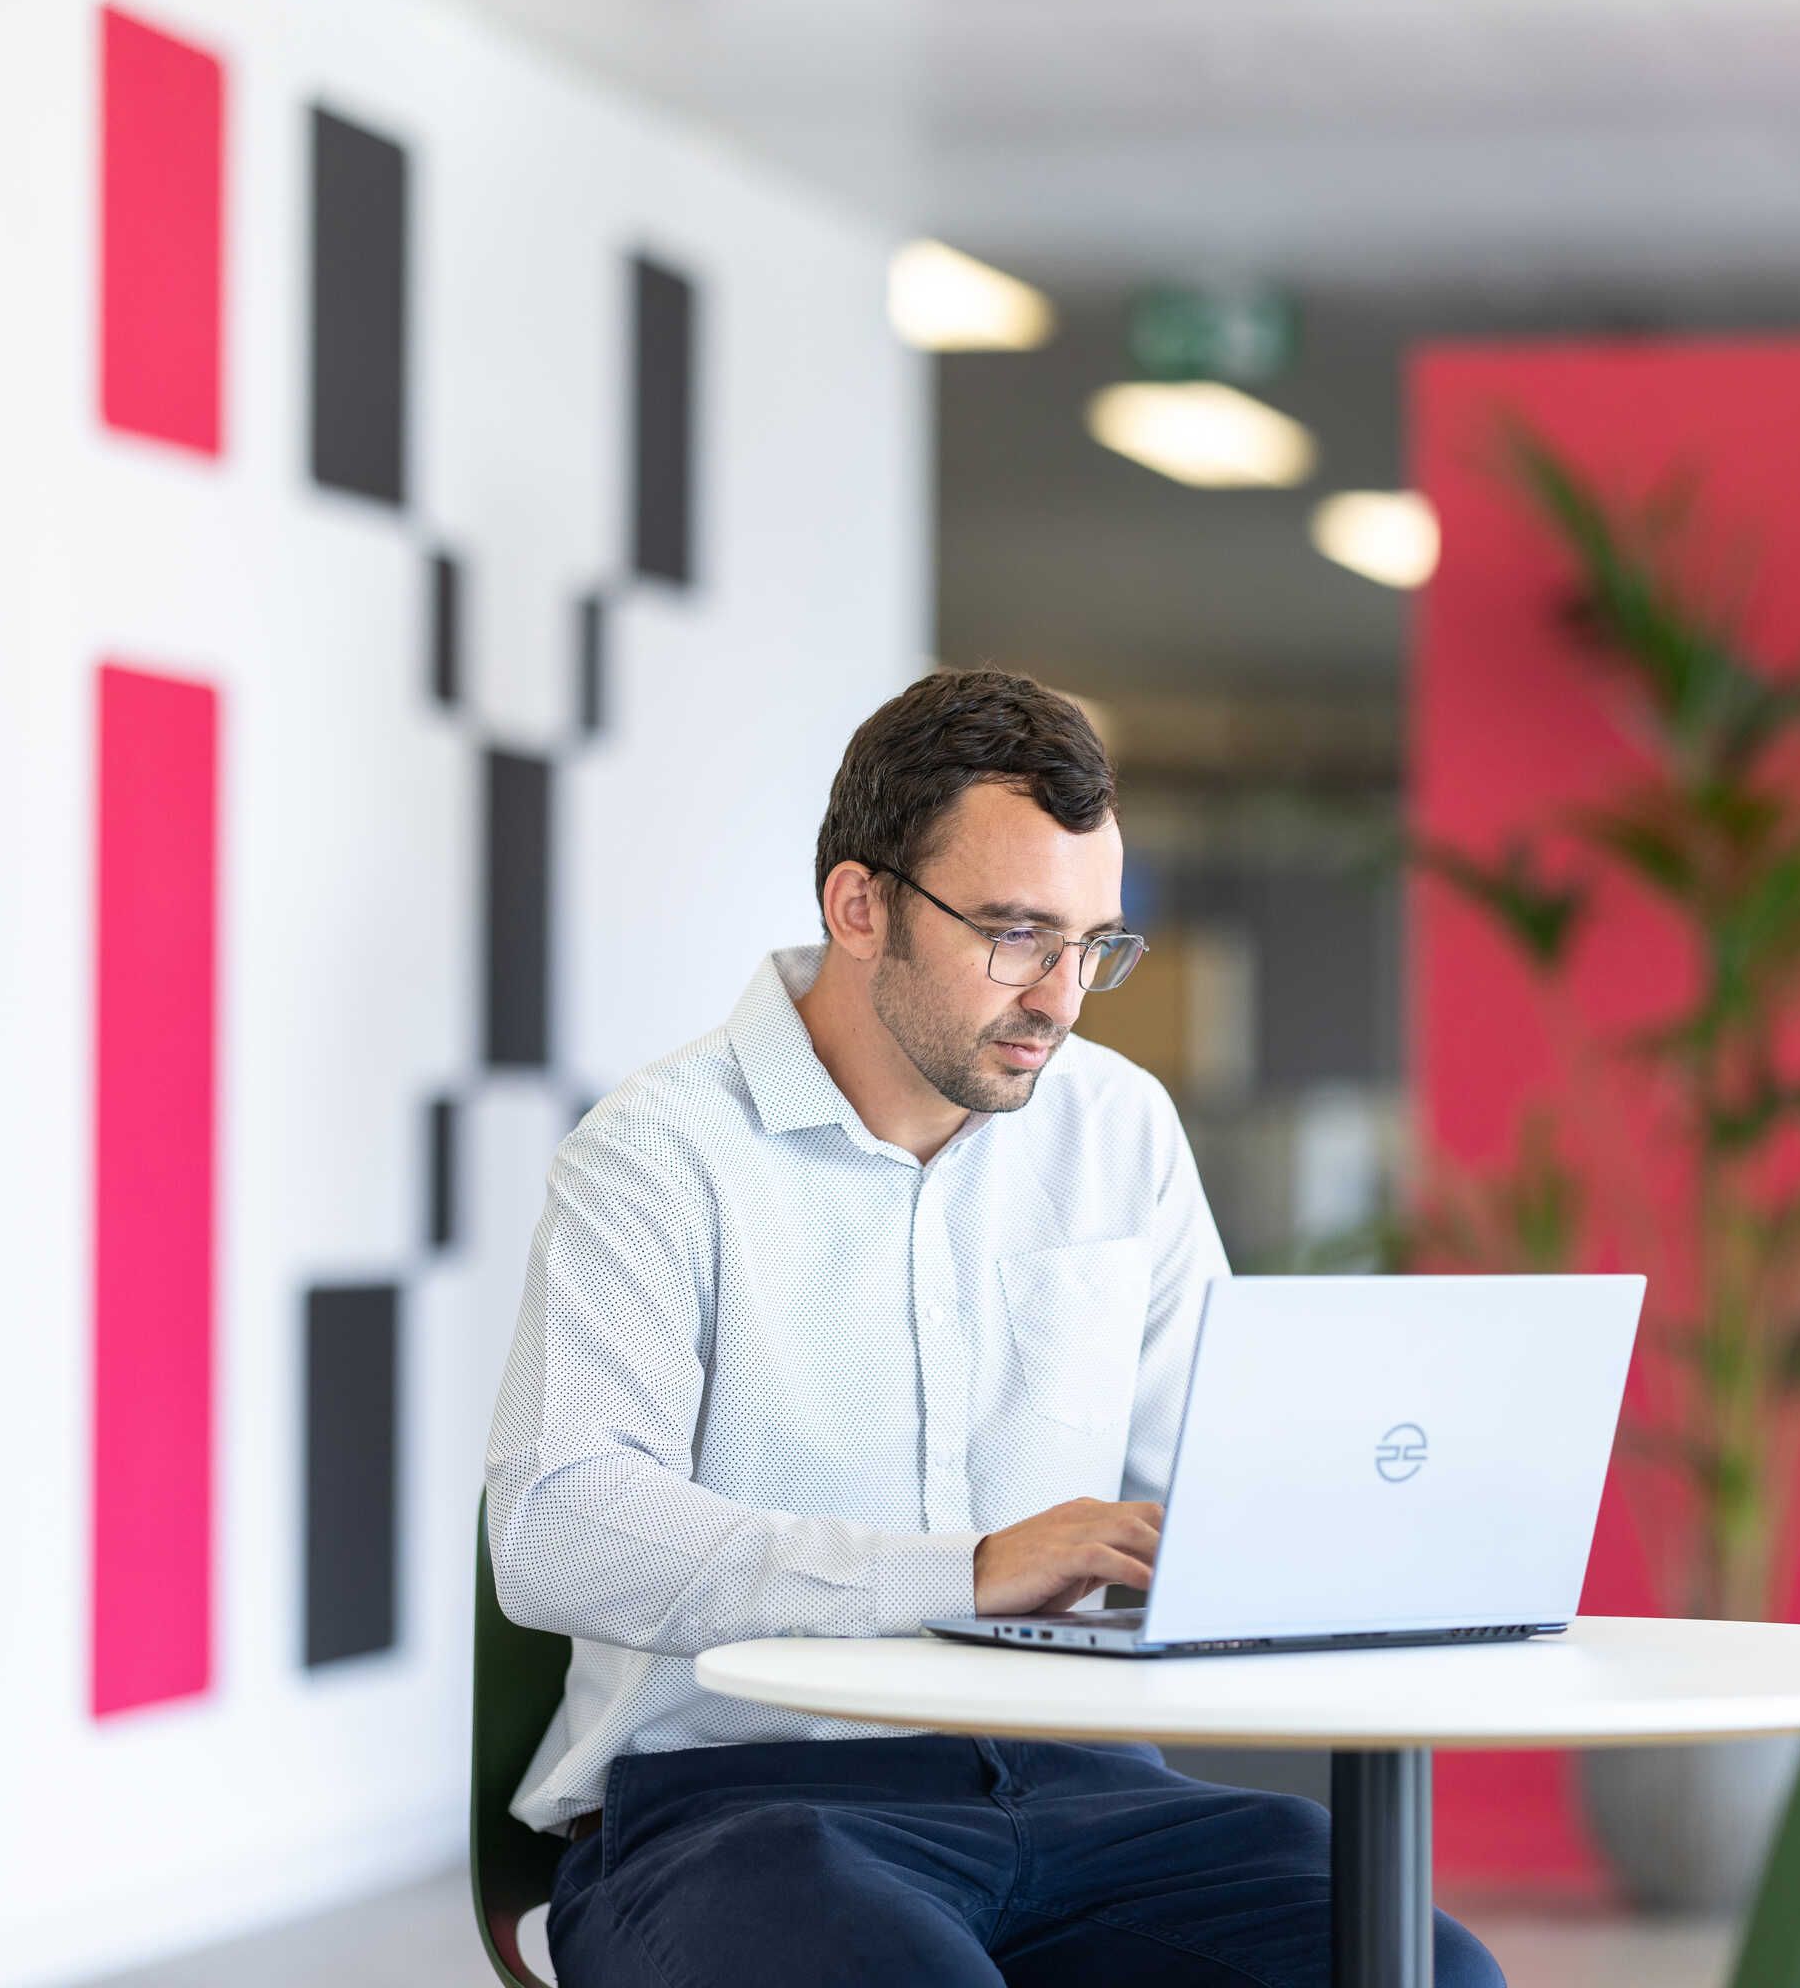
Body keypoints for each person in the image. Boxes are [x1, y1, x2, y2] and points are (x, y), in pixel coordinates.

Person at [484, 669, 1503, 1986]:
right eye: (1016, 936)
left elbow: (1204, 1476)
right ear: (860, 908)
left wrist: (1331, 1526)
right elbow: (560, 1524)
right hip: (740, 1801)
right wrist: (959, 1573)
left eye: (1094, 945)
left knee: (1428, 1971)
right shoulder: (659, 1155)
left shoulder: (1117, 1125)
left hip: (1089, 1790)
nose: (1063, 1000)